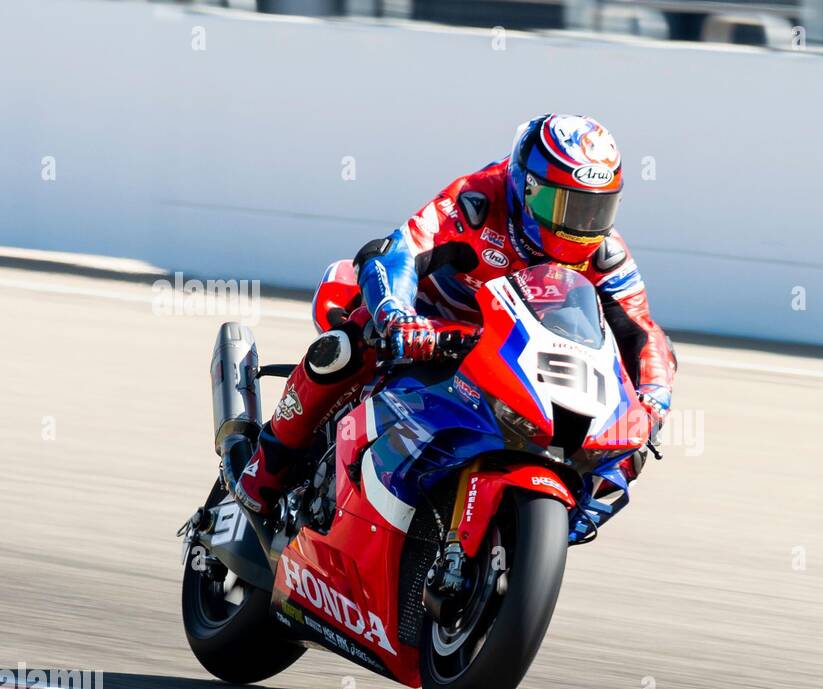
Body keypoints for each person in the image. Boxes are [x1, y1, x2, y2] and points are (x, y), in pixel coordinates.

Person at [234, 113, 675, 515]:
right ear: (526, 187)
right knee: (346, 349)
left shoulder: (604, 254)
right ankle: (262, 472)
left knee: (620, 454)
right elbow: (398, 251)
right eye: (561, 206)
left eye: (594, 208)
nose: (578, 224)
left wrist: (652, 400)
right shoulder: (476, 201)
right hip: (432, 323)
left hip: (517, 357)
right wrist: (395, 315)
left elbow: (643, 332)